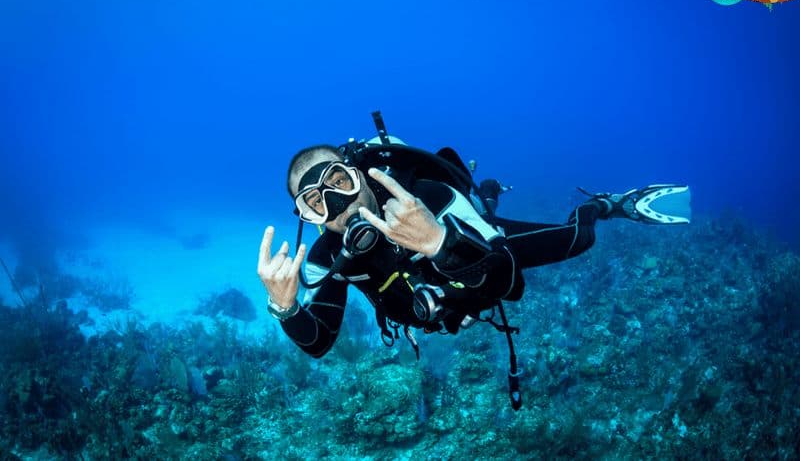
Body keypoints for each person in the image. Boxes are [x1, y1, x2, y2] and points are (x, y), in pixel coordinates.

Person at [257, 116, 691, 408]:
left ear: (359, 175)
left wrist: (439, 241)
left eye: (339, 182)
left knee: (578, 238)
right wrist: (285, 307)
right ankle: (489, 188)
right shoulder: (327, 259)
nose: (338, 205)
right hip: (436, 309)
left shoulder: (431, 199)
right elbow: (318, 343)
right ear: (307, 218)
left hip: (477, 256)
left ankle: (607, 204)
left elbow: (505, 278)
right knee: (490, 211)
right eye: (316, 202)